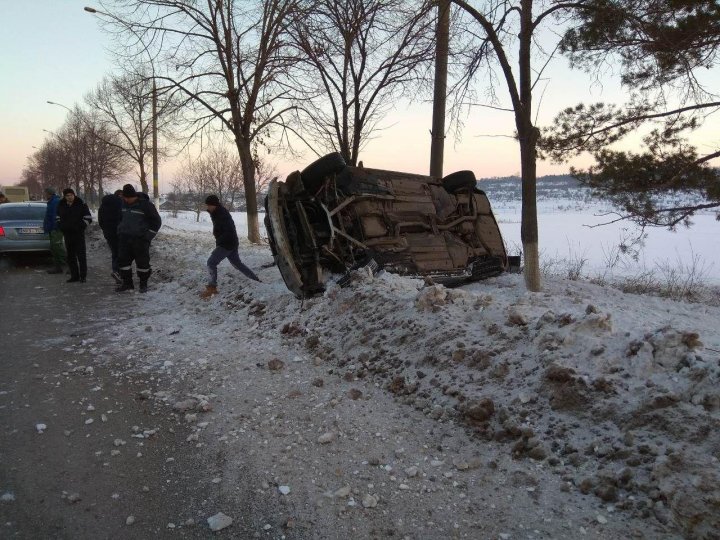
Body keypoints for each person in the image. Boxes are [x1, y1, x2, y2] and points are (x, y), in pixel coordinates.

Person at [200, 194, 260, 299]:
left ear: (214, 205)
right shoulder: (216, 212)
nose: (207, 207)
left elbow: (229, 230)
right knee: (237, 264)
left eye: (209, 205)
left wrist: (220, 240)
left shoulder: (221, 214)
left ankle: (212, 287)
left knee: (211, 262)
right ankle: (256, 280)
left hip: (227, 243)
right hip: (230, 242)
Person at [116, 184, 162, 293]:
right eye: (124, 198)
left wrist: (147, 237)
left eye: (128, 198)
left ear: (134, 196)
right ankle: (128, 284)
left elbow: (156, 222)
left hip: (140, 240)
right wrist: (119, 231)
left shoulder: (146, 205)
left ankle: (143, 284)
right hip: (124, 239)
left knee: (142, 264)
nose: (126, 200)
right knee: (123, 262)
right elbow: (119, 219)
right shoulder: (123, 204)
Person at [56, 188, 92, 283]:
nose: (69, 197)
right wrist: (61, 226)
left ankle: (83, 276)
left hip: (78, 234)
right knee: (71, 257)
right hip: (67, 234)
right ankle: (74, 276)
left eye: (71, 195)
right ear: (64, 196)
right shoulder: (61, 205)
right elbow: (57, 217)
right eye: (67, 195)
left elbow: (88, 218)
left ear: (74, 195)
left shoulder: (81, 204)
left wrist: (81, 226)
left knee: (81, 256)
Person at [98, 189, 123, 283]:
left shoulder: (102, 207)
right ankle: (119, 272)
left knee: (114, 252)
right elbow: (122, 219)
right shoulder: (120, 206)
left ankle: (116, 271)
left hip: (108, 233)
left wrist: (106, 230)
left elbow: (101, 222)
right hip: (119, 233)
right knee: (121, 253)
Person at [42, 187, 67, 274]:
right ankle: (58, 267)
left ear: (49, 194)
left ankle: (71, 264)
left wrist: (55, 227)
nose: (45, 195)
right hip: (52, 228)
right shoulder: (51, 201)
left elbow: (55, 216)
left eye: (46, 193)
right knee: (54, 248)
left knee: (57, 247)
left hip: (56, 228)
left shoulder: (55, 202)